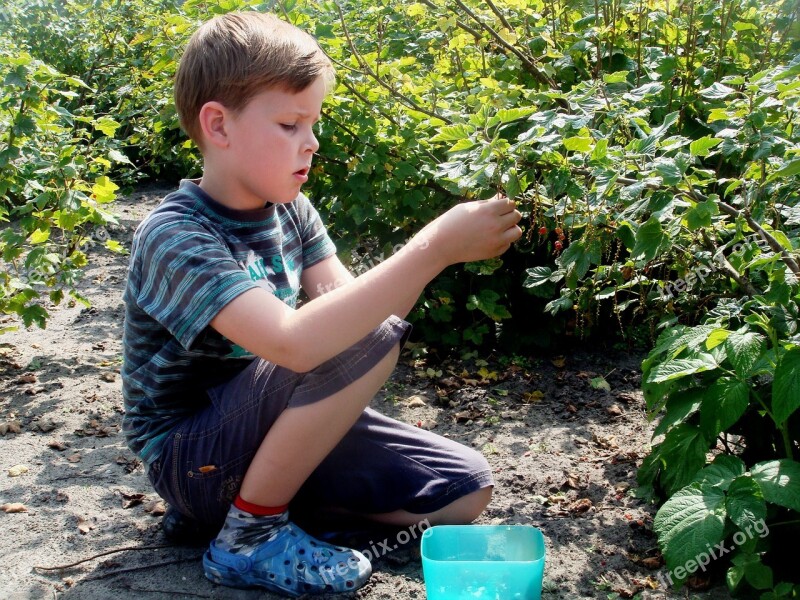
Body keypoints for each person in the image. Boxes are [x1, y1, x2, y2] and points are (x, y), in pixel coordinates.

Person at [121, 10, 522, 598]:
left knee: (464, 490)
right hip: (189, 455)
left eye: (314, 122)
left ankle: (253, 512)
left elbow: (349, 306)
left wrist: (441, 253)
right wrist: (433, 248)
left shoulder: (291, 212)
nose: (311, 142)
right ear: (218, 125)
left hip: (265, 433)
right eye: (289, 123)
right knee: (366, 333)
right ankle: (249, 535)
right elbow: (298, 341)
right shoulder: (175, 236)